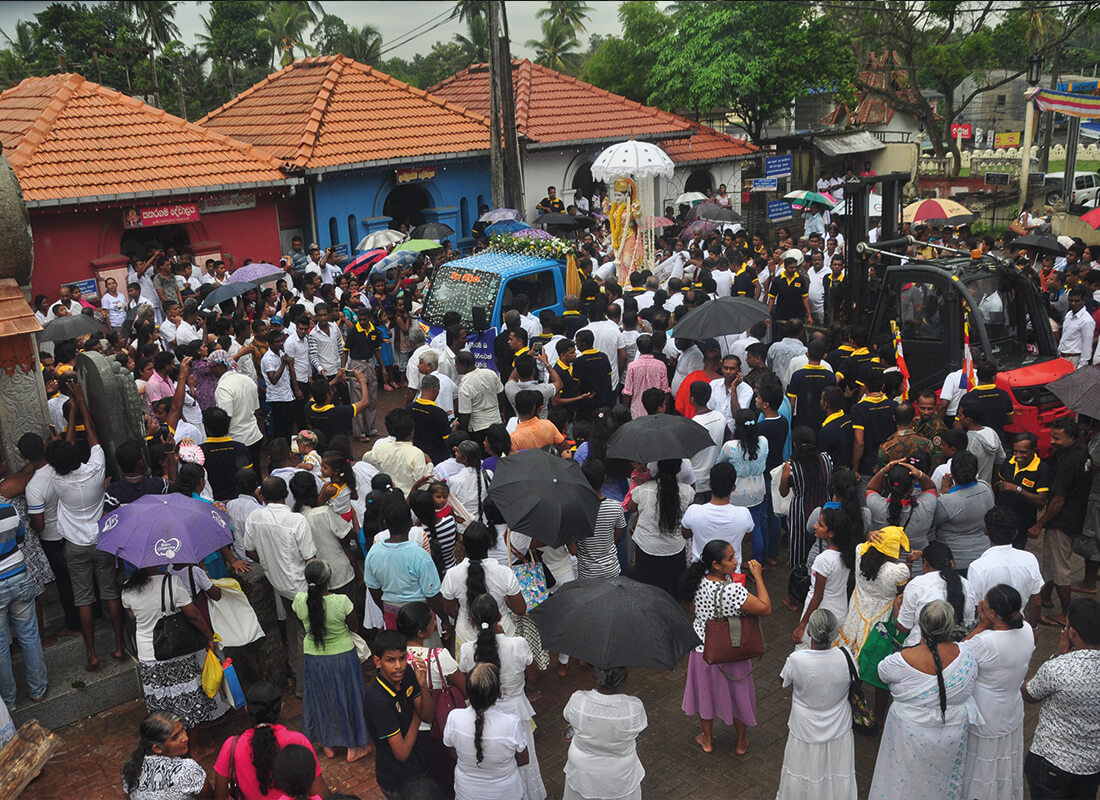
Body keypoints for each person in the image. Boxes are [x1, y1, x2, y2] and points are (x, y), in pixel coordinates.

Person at [47, 379, 125, 671]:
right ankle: (119, 646)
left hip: (75, 547)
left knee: (84, 599)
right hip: (102, 541)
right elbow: (92, 436)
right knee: (109, 593)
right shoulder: (95, 469)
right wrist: (80, 403)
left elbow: (65, 449)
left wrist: (71, 417)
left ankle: (92, 653)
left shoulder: (57, 479)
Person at [869, 600, 979, 800]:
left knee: (902, 783)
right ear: (950, 627)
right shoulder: (967, 657)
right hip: (952, 735)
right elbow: (969, 687)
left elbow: (882, 673)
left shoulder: (900, 661)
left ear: (921, 626)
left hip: (907, 738)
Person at [681, 541, 772, 755]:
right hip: (733, 649)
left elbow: (694, 610)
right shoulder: (733, 591)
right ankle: (741, 743)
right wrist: (757, 575)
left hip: (703, 650)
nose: (736, 561)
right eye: (730, 558)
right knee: (740, 696)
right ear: (716, 565)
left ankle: (707, 740)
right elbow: (765, 608)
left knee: (705, 696)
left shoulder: (696, 582)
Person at [457, 594, 546, 800]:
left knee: (493, 759)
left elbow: (467, 682)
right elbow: (534, 676)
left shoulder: (467, 650)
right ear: (499, 615)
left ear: (472, 621)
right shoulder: (518, 644)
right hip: (516, 709)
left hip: (483, 713)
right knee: (525, 760)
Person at [120, 567, 226, 730]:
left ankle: (166, 740)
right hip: (177, 647)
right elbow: (193, 615)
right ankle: (194, 745)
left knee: (161, 700)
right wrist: (209, 637)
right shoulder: (172, 582)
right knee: (189, 696)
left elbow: (131, 616)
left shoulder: (127, 587)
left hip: (148, 652)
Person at [292, 560, 371, 763]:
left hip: (313, 658)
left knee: (321, 699)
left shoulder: (300, 601)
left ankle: (327, 744)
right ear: (329, 579)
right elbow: (353, 627)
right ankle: (353, 747)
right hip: (342, 657)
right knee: (348, 698)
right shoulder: (342, 602)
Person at [962, 584, 1035, 800]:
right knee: (1003, 759)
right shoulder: (1028, 629)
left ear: (992, 613)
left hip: (985, 711)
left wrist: (982, 625)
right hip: (1011, 705)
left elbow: (957, 656)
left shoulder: (985, 641)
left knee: (980, 761)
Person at [1022, 598, 1100, 800]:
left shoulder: (1059, 668)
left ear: (1072, 632)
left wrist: (1058, 654)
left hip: (1050, 762)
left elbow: (1029, 693)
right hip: (1091, 767)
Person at [776, 609, 857, 800]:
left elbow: (783, 681)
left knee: (801, 770)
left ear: (810, 632)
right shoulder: (846, 656)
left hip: (804, 727)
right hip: (838, 727)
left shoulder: (797, 659)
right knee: (836, 771)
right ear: (834, 633)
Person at [1031, 417, 1090, 627]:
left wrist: (1039, 524)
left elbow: (1057, 500)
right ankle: (1046, 595)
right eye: (1051, 437)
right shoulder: (1081, 453)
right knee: (1051, 561)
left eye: (1057, 438)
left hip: (1062, 520)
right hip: (1075, 516)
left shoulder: (1068, 463)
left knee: (1060, 568)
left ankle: (1066, 614)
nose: (1053, 442)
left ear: (1072, 437)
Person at [443, 662, 528, 800]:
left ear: (468, 691)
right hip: (505, 793)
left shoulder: (454, 717)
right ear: (498, 692)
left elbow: (453, 753)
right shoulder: (511, 724)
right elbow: (523, 759)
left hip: (467, 792)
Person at [364, 630, 434, 796]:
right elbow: (401, 753)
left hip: (417, 765)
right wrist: (416, 716)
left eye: (402, 658)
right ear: (378, 661)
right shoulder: (378, 701)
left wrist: (423, 686)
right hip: (396, 780)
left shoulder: (407, 673)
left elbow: (428, 716)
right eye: (390, 660)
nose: (398, 666)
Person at [561, 666, 647, 800]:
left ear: (593, 676)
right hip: (619, 773)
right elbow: (640, 727)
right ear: (625, 678)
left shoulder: (578, 700)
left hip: (582, 769)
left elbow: (568, 716)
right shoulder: (634, 707)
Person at [363, 495, 445, 633]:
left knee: (398, 651)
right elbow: (432, 594)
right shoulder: (420, 555)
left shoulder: (374, 552)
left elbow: (373, 588)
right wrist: (445, 619)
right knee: (423, 652)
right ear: (410, 523)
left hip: (391, 612)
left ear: (385, 523)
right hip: (421, 614)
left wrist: (385, 609)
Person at [441, 522, 525, 649]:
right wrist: (505, 599)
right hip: (503, 634)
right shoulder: (505, 573)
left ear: (463, 546)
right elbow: (520, 609)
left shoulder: (452, 575)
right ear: (490, 544)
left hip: (466, 638)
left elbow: (450, 610)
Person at [837, 526, 915, 664]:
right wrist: (909, 563)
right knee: (873, 655)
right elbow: (902, 591)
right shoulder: (897, 571)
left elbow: (864, 545)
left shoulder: (860, 553)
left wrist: (870, 537)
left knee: (850, 651)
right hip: (881, 615)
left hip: (857, 610)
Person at [625, 459, 695, 596]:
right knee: (673, 593)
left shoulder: (643, 490)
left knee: (647, 593)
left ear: (657, 468)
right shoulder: (688, 492)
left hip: (647, 549)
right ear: (679, 469)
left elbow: (630, 506)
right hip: (675, 549)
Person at [968, 506, 1044, 627]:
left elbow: (975, 608)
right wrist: (1033, 628)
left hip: (989, 630)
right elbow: (1037, 603)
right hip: (1020, 626)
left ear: (986, 530)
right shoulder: (1030, 559)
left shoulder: (978, 567)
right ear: (1015, 533)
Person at [792, 508, 855, 648]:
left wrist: (802, 625)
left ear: (831, 533)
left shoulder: (823, 559)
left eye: (821, 525)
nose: (815, 526)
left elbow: (817, 596)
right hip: (839, 611)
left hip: (821, 615)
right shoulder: (847, 554)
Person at [896, 542, 977, 648]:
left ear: (925, 563)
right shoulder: (966, 584)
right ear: (952, 563)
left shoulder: (917, 584)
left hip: (919, 648)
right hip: (956, 648)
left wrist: (896, 607)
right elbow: (969, 623)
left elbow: (904, 627)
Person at [779, 426, 832, 580]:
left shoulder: (791, 467)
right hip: (824, 507)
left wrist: (784, 474)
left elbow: (783, 492)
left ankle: (799, 580)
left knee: (799, 547)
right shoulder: (826, 458)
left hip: (800, 511)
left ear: (795, 444)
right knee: (823, 543)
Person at [865, 460, 938, 573]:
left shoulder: (878, 507)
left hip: (884, 572)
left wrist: (884, 471)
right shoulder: (925, 507)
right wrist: (920, 474)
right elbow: (930, 488)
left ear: (889, 484)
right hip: (916, 571)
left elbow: (871, 489)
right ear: (911, 488)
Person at [122, 711, 212, 800]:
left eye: (183, 730)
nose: (186, 738)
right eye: (175, 737)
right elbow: (208, 797)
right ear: (157, 748)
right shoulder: (186, 769)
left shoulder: (131, 766)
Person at [933, 451, 995, 573]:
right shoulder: (985, 488)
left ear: (953, 473)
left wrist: (942, 493)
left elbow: (932, 521)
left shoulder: (946, 501)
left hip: (956, 560)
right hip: (982, 554)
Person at [993, 432, 1049, 549]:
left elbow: (1041, 501)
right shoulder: (1009, 461)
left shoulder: (1041, 468)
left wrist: (1017, 489)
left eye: (1023, 452)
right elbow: (1000, 482)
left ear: (1033, 450)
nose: (1018, 455)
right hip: (1001, 520)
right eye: (1015, 451)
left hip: (1022, 524)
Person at [575, 460, 628, 579]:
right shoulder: (616, 506)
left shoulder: (578, 508)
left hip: (587, 572)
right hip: (611, 569)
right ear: (604, 478)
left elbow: (575, 544)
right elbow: (617, 537)